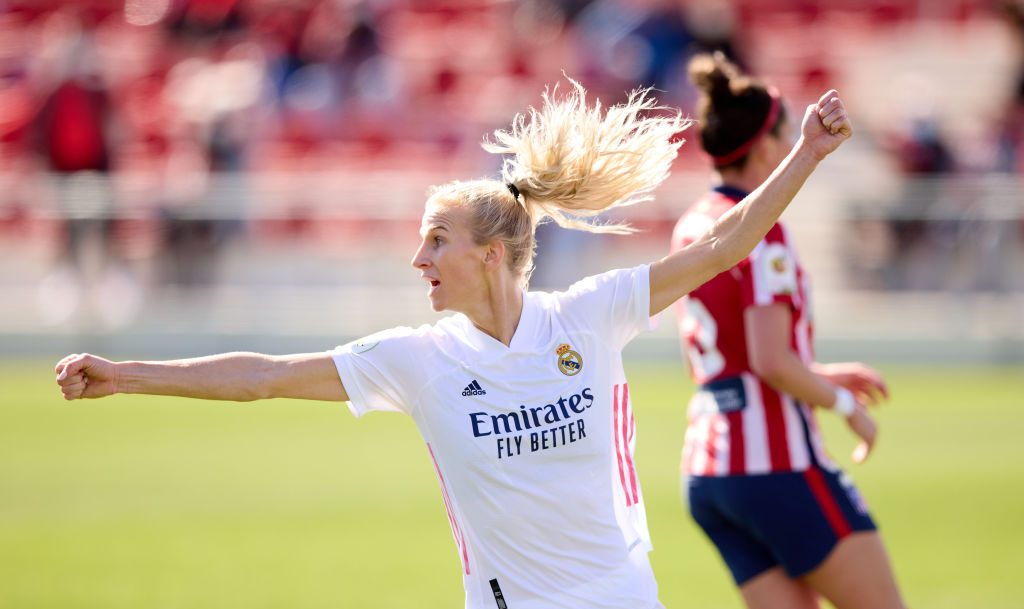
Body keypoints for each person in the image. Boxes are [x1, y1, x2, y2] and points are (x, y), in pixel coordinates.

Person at [56, 76, 852, 609]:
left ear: (491, 252)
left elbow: (721, 248)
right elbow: (263, 375)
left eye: (436, 240)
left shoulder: (590, 313)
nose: (419, 259)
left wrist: (807, 153)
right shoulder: (419, 359)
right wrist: (123, 373)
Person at [671, 53, 905, 609]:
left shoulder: (690, 226)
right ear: (770, 145)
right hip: (776, 465)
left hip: (709, 471)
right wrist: (845, 407)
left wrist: (818, 373)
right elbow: (771, 361)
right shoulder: (761, 233)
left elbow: (723, 361)